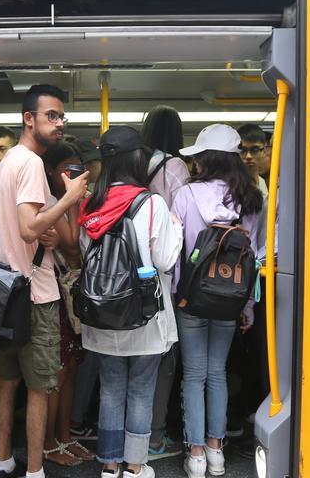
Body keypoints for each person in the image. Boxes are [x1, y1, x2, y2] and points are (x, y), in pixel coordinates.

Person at [0, 84, 88, 478]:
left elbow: (30, 228)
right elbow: (30, 229)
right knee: (39, 389)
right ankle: (34, 472)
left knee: (6, 381)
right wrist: (69, 199)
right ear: (28, 119)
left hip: (5, 295)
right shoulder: (30, 163)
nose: (59, 123)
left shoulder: (8, 162)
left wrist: (50, 223)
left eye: (61, 116)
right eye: (51, 115)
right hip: (34, 296)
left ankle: (3, 460)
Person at [78, 126, 183, 478]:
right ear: (138, 159)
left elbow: (85, 254)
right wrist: (177, 228)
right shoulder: (152, 203)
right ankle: (135, 467)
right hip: (143, 315)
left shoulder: (91, 203)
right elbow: (166, 260)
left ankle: (109, 466)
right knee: (141, 391)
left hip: (102, 313)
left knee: (110, 390)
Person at [171, 124, 263, 478]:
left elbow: (177, 253)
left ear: (205, 159)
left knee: (193, 375)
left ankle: (195, 456)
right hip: (230, 300)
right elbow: (253, 257)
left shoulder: (184, 195)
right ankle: (216, 451)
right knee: (218, 374)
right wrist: (247, 307)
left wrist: (179, 297)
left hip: (191, 298)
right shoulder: (251, 197)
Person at [140, 105, 189, 461]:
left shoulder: (138, 164)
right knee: (165, 358)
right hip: (166, 271)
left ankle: (133, 436)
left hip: (135, 269)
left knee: (137, 358)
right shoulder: (176, 166)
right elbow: (182, 220)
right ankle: (155, 437)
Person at [41, 142, 95, 467]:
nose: (75, 176)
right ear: (52, 172)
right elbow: (73, 245)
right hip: (55, 293)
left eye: (78, 170)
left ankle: (65, 436)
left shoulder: (74, 200)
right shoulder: (51, 202)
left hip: (73, 292)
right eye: (68, 171)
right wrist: (73, 200)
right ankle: (49, 443)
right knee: (59, 373)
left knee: (73, 367)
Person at [141, 105, 190, 207]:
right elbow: (184, 206)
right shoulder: (175, 165)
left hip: (138, 221)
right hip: (165, 222)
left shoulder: (137, 161)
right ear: (176, 132)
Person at [236, 124, 269, 198]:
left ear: (264, 151)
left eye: (255, 150)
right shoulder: (228, 186)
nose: (248, 156)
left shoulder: (265, 184)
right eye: (243, 150)